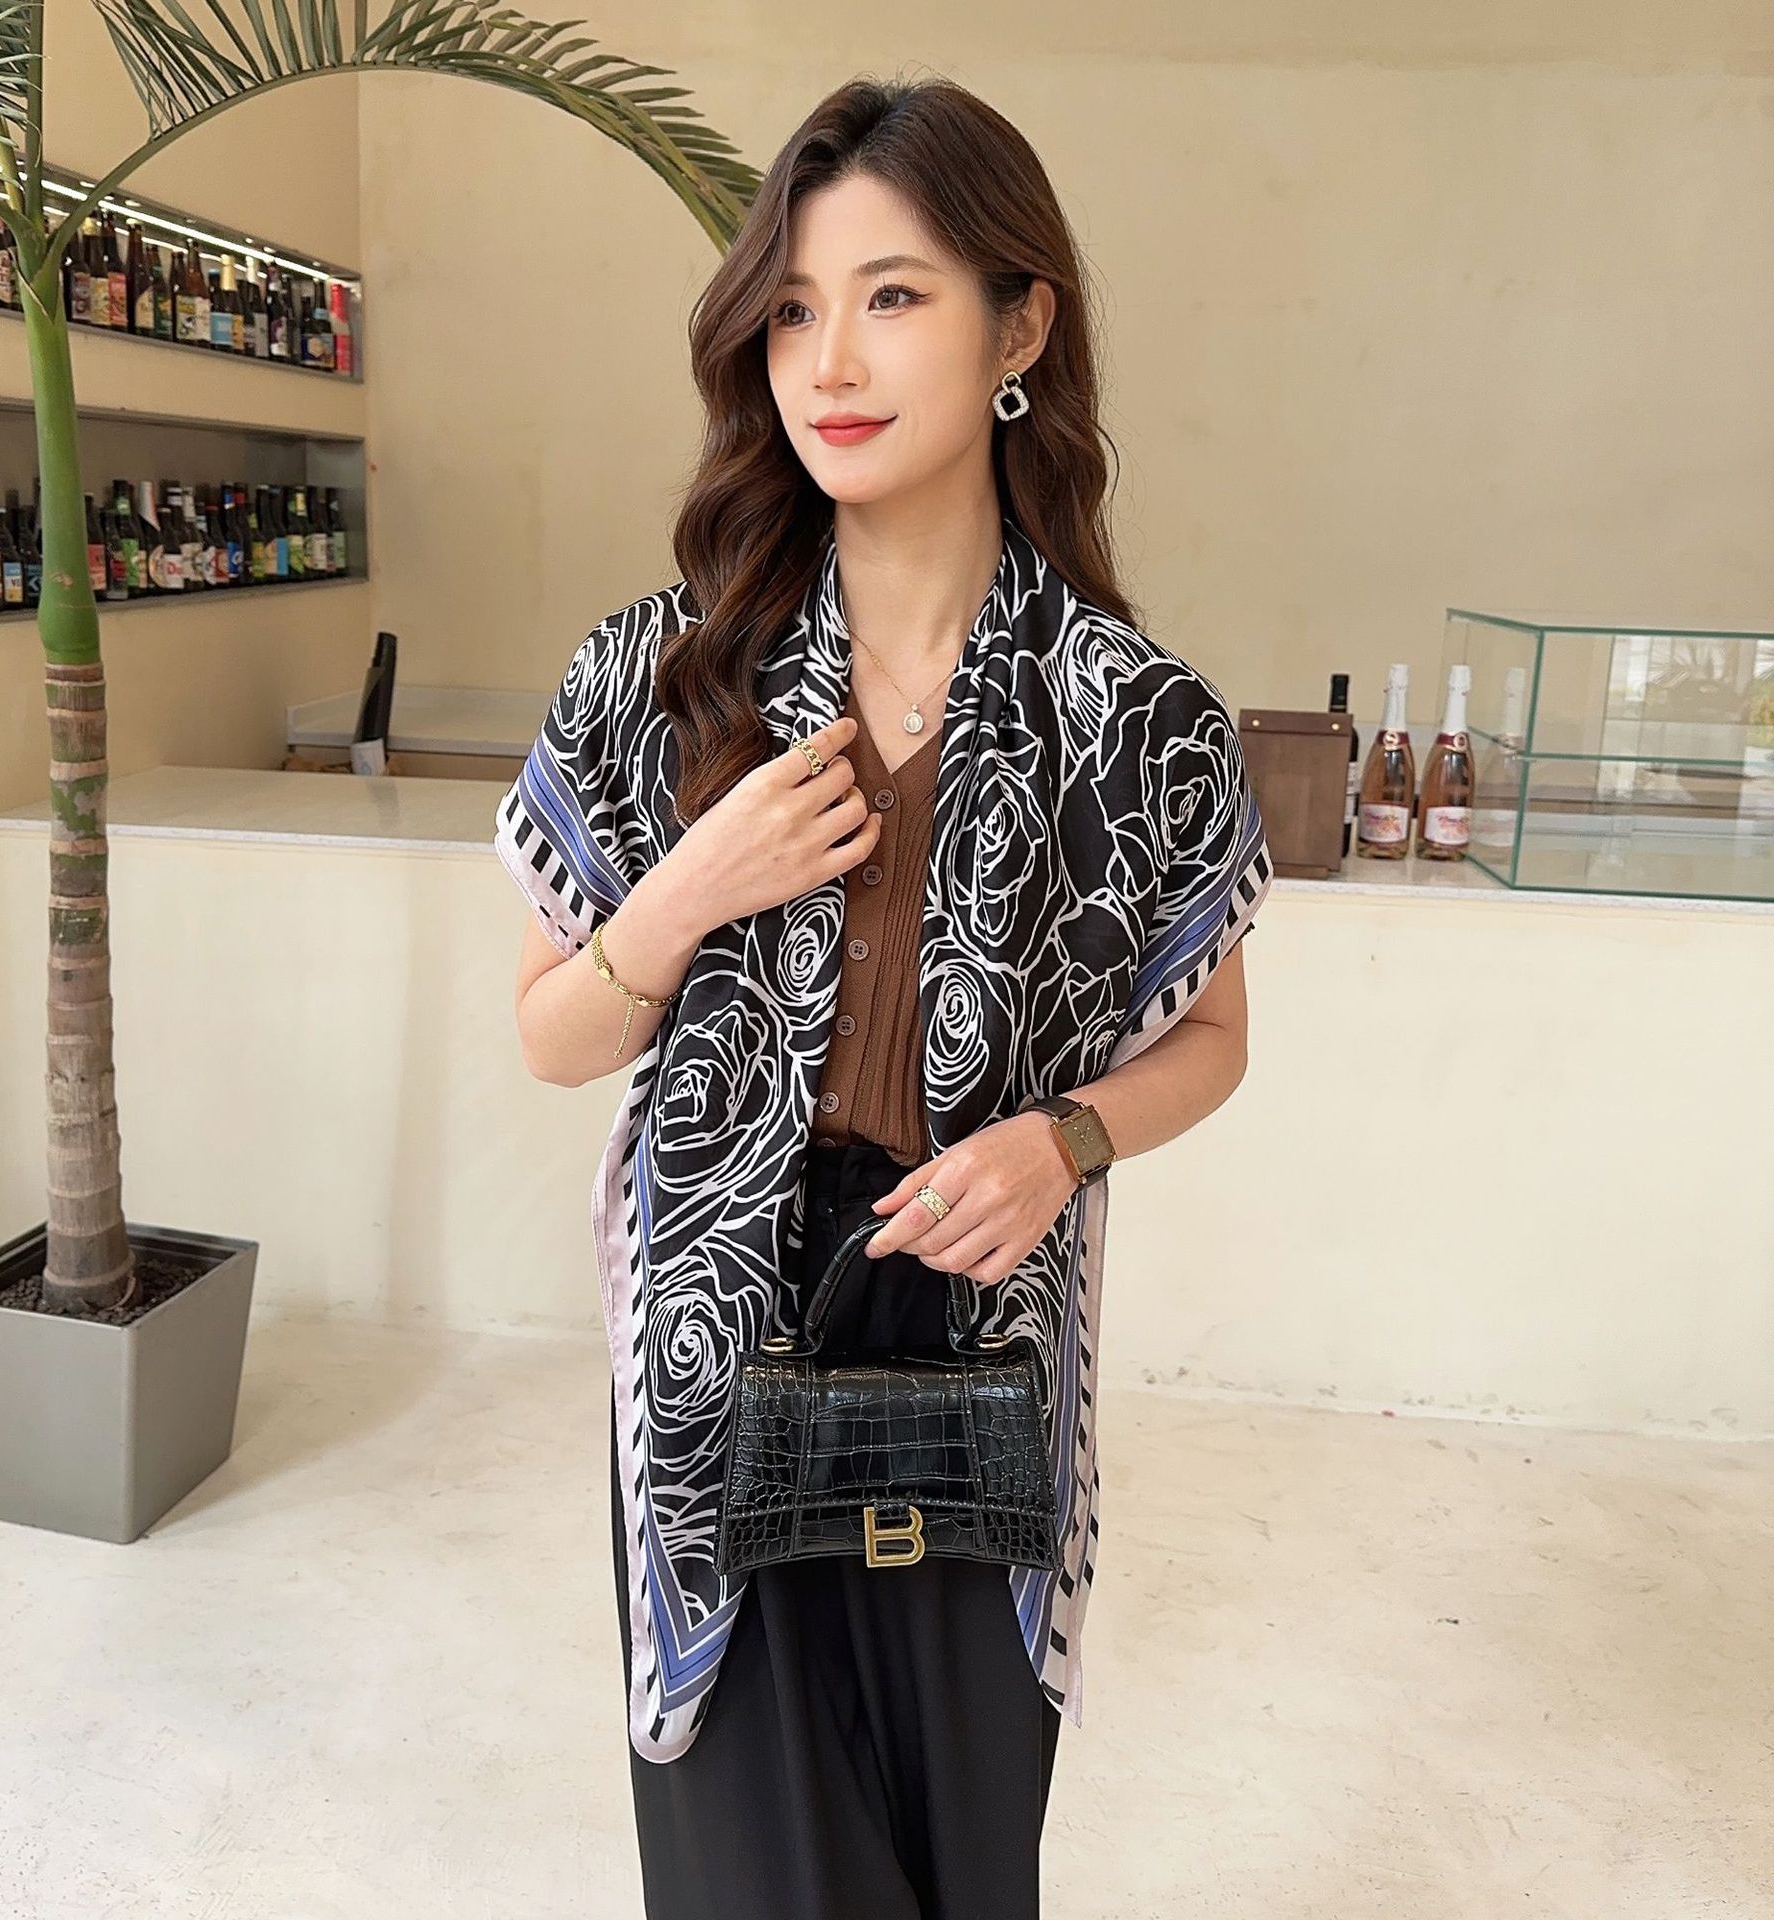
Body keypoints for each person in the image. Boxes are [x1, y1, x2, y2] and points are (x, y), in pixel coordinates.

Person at [497, 74, 1273, 1920]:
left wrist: (1063, 1141)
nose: (829, 360)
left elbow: (1215, 1038)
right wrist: (692, 886)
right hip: (719, 1336)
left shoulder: (1136, 716)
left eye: (894, 295)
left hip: (978, 1340)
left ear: (1021, 327)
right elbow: (550, 1035)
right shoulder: (667, 675)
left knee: (957, 1859)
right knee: (755, 1871)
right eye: (791, 309)